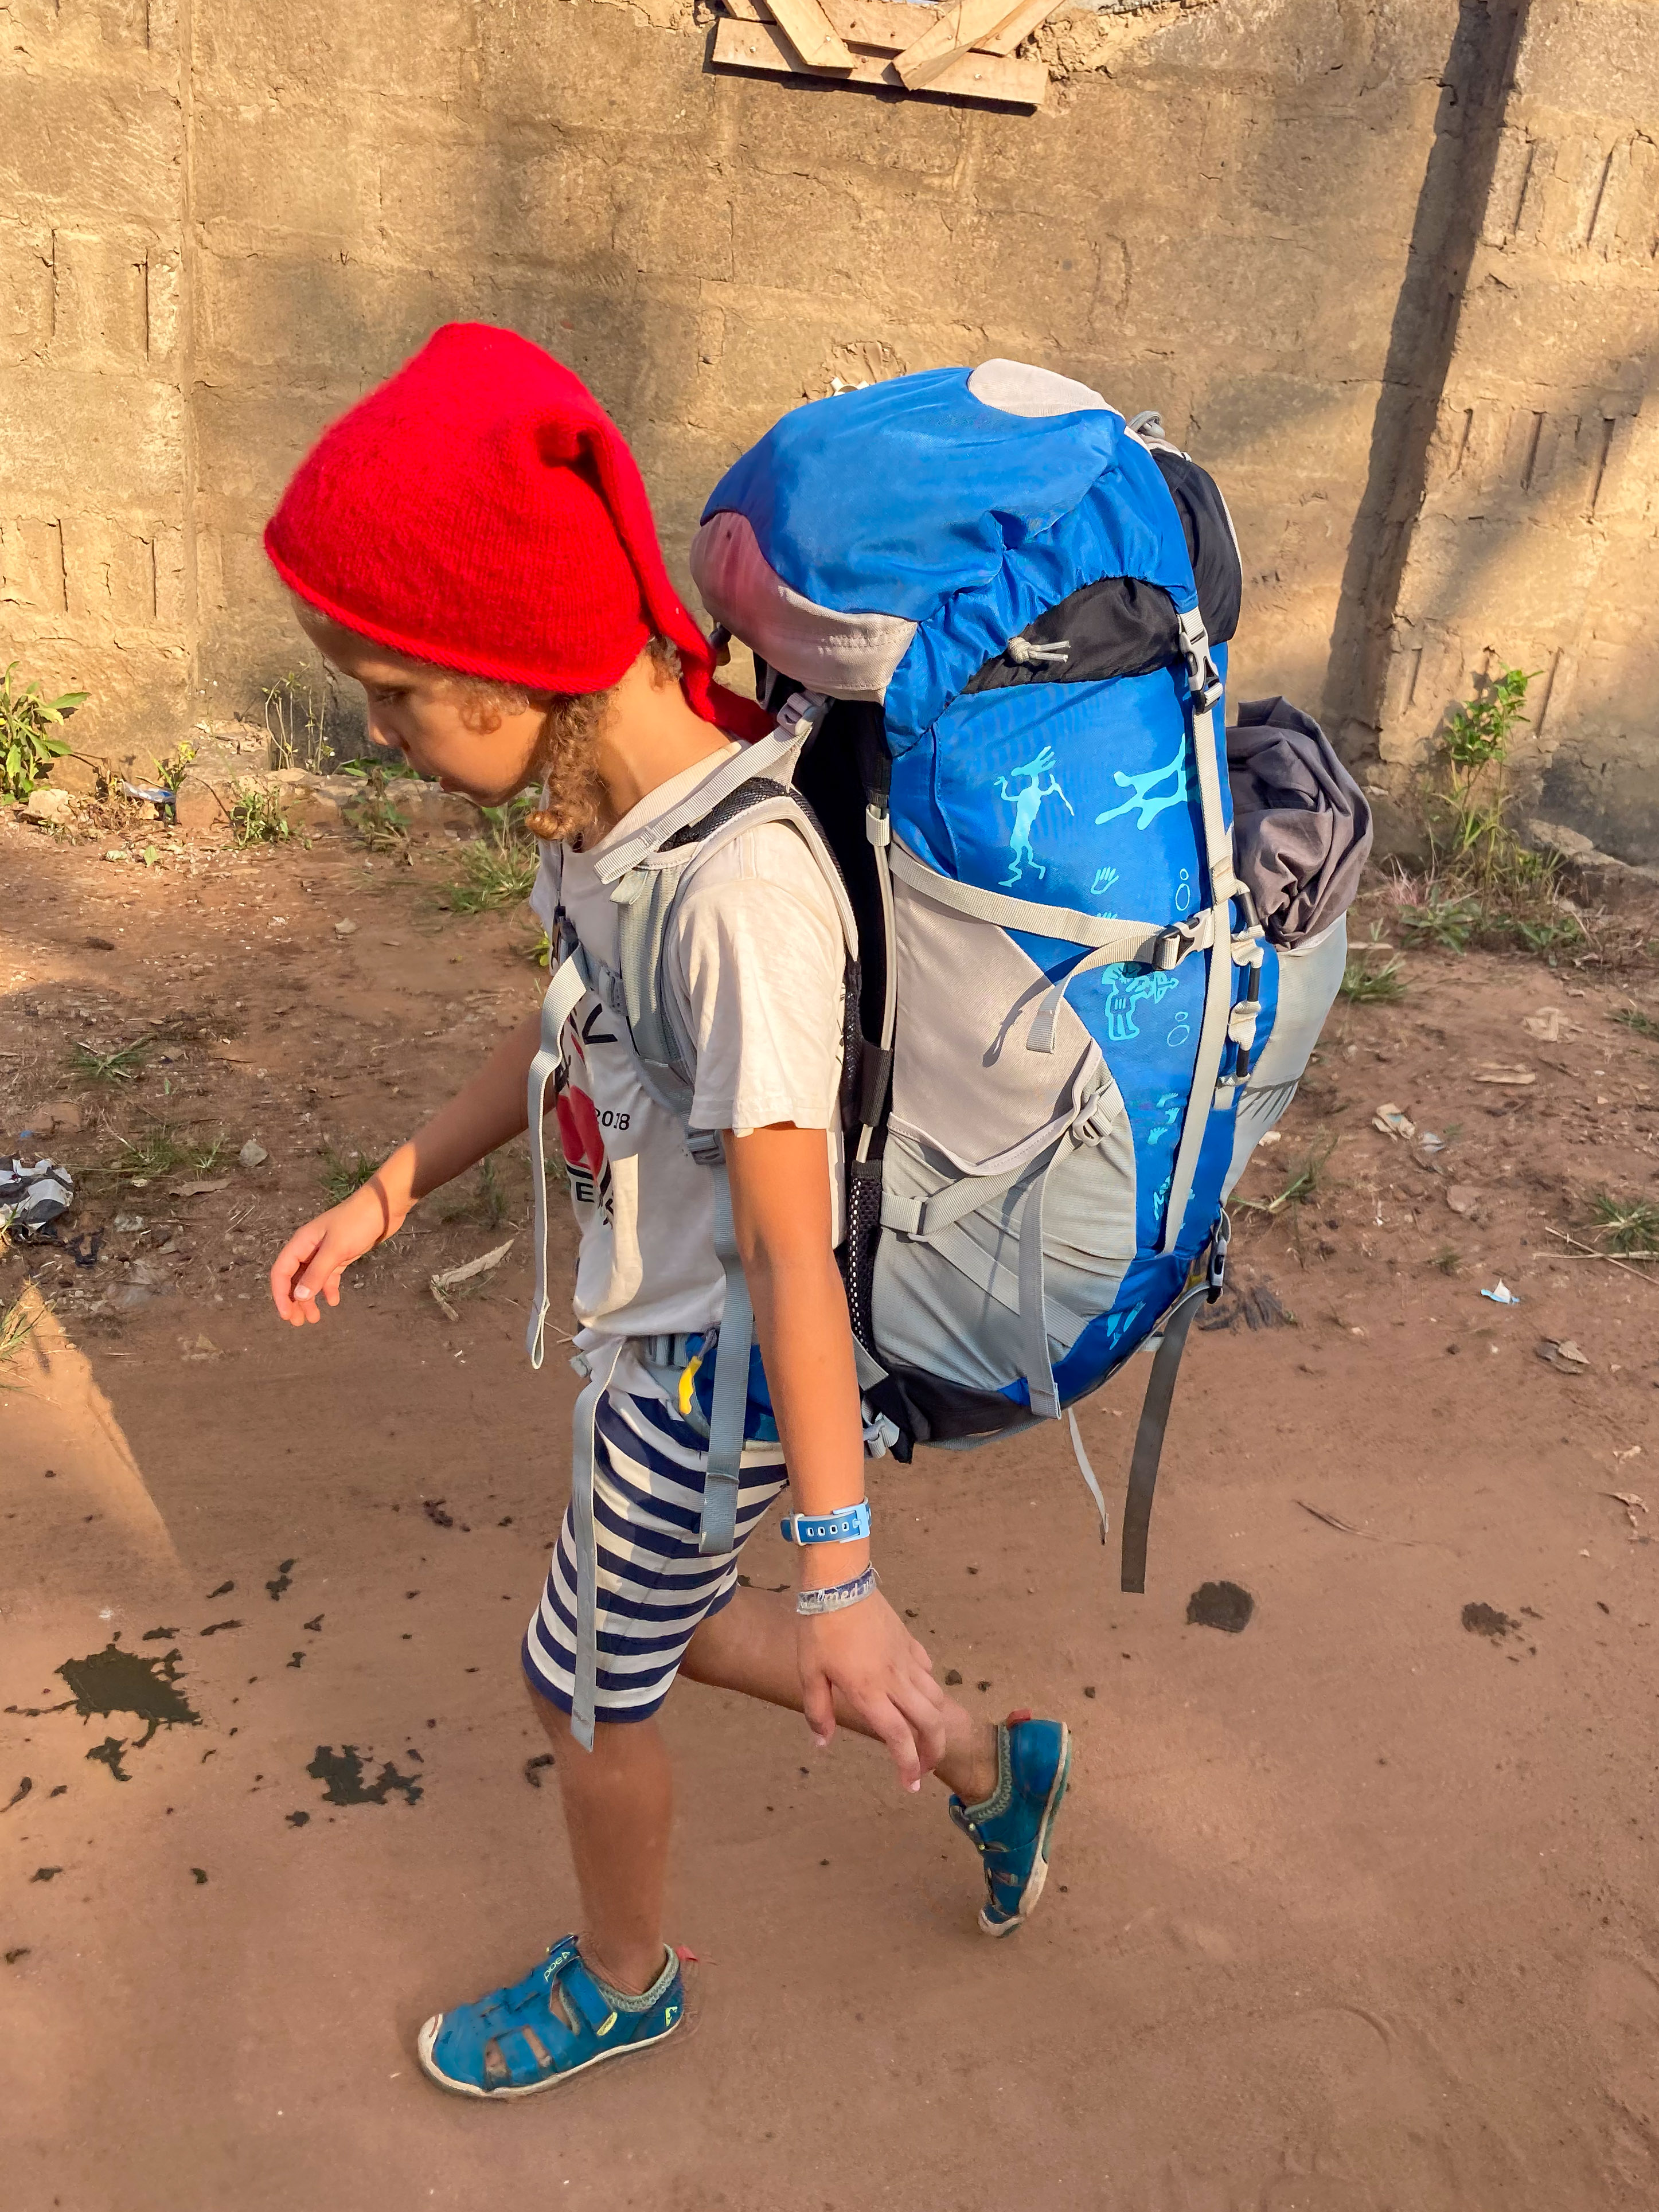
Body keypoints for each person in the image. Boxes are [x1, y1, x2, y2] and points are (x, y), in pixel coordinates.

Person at [264, 323, 1071, 2100]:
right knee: (661, 1620)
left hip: (710, 1373)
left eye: (395, 692)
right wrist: (393, 1187)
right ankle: (985, 1761)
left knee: (580, 1683)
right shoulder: (604, 818)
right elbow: (570, 1020)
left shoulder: (737, 903)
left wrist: (841, 1572)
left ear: (514, 668)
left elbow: (791, 1246)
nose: (384, 733)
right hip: (667, 1335)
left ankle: (624, 1979)